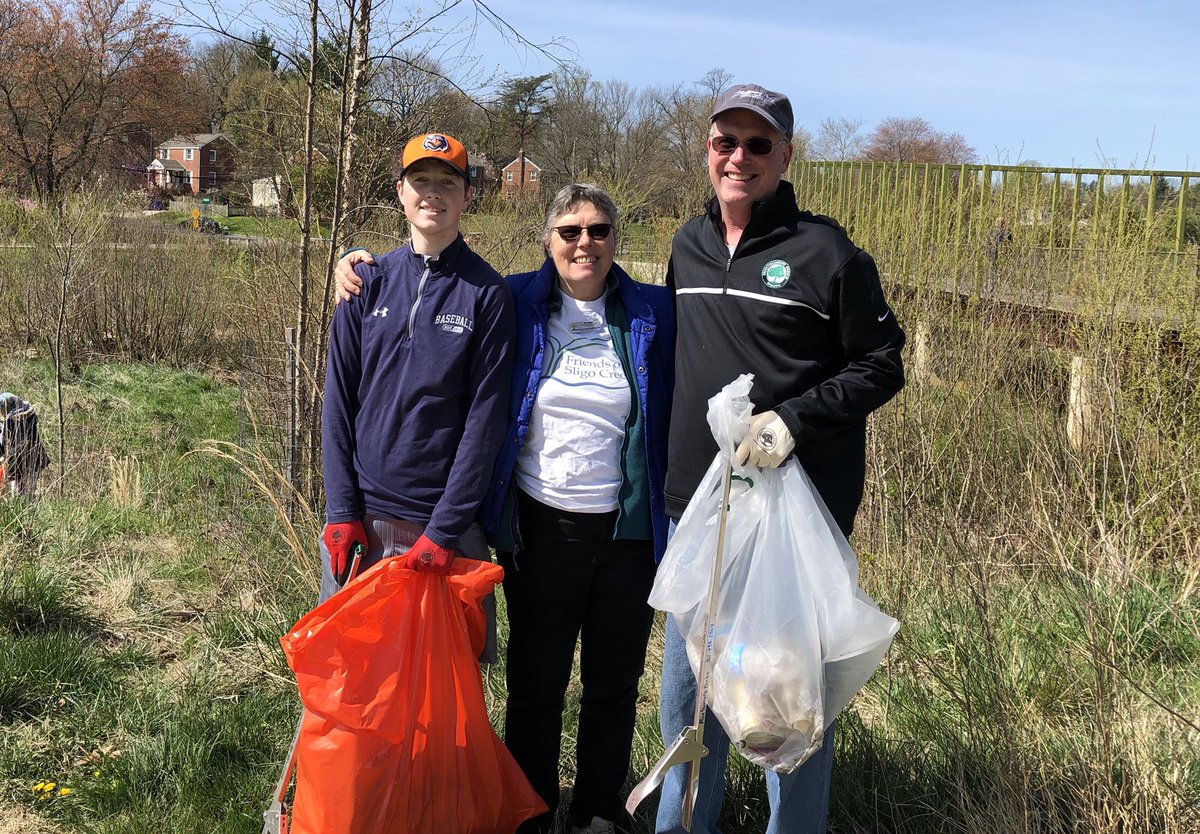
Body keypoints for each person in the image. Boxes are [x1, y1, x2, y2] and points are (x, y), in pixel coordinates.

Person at [333, 183, 675, 834]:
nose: (585, 243)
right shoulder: (515, 299)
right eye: (570, 231)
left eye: (599, 231)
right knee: (536, 683)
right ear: (548, 240)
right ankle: (533, 811)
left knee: (614, 682)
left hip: (628, 532)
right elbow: (440, 277)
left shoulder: (653, 312)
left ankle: (600, 810)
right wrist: (356, 261)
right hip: (541, 527)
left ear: (615, 241)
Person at [655, 84, 905, 834]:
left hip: (791, 533)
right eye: (725, 142)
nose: (739, 158)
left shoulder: (826, 252)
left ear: (786, 156)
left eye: (758, 145)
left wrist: (793, 420)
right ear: (706, 150)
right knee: (689, 717)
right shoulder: (684, 245)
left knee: (786, 723)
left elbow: (882, 362)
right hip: (698, 521)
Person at [319, 131, 515, 677]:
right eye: (421, 181)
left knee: (442, 692)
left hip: (442, 531)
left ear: (468, 194)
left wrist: (444, 532)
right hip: (361, 524)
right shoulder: (365, 283)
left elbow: (484, 425)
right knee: (353, 684)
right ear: (400, 192)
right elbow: (337, 402)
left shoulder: (487, 295)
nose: (433, 193)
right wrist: (340, 512)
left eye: (448, 182)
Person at [0, 392, 50, 501]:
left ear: (7, 407)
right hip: (25, 460)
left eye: (1, 409)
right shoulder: (11, 419)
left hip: (25, 460)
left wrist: (6, 456)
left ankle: (28, 513)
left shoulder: (19, 420)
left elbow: (24, 442)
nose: (1, 413)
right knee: (21, 493)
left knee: (21, 494)